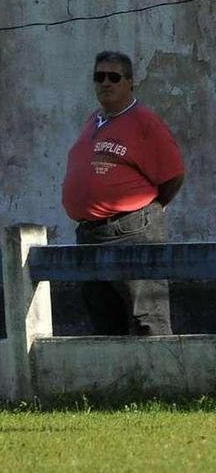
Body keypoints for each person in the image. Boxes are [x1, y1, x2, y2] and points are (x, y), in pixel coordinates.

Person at [62, 51, 184, 335]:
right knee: (103, 318)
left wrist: (149, 209)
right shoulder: (94, 120)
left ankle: (160, 378)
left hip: (131, 231)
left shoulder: (145, 122)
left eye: (114, 77)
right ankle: (118, 379)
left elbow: (174, 175)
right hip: (91, 234)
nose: (106, 83)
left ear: (130, 82)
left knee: (147, 317)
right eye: (99, 77)